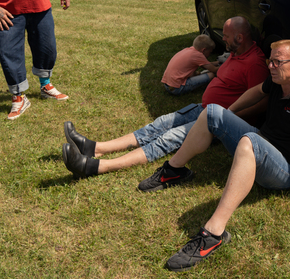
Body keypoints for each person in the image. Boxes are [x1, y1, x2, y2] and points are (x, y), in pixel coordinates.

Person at [138, 39, 290, 272]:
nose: (270, 66)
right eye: (270, 60)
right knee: (213, 112)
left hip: (286, 171)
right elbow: (255, 91)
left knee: (249, 142)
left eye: (277, 62)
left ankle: (213, 233)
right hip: (263, 143)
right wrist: (228, 114)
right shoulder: (278, 81)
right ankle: (173, 170)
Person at [61, 17, 269, 178]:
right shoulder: (236, 53)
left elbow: (261, 104)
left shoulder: (255, 64)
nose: (222, 38)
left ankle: (96, 167)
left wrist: (228, 115)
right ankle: (95, 147)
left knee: (167, 138)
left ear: (239, 38)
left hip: (217, 121)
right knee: (160, 124)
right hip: (205, 108)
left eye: (225, 35)